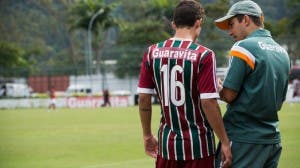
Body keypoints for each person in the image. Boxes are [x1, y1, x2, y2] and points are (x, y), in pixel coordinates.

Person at [137, 1, 232, 167]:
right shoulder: (204, 55)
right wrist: (224, 141)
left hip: (167, 146)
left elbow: (144, 98)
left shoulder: (151, 52)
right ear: (199, 22)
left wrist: (147, 135)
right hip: (199, 147)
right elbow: (209, 102)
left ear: (174, 24)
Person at [214, 0, 290, 167]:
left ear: (246, 20)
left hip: (243, 138)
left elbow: (228, 95)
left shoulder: (243, 47)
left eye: (231, 24)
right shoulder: (283, 52)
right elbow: (279, 103)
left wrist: (217, 87)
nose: (229, 31)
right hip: (272, 140)